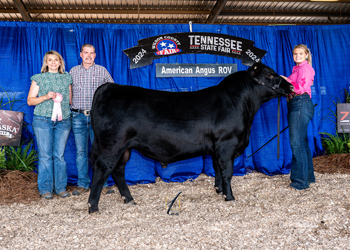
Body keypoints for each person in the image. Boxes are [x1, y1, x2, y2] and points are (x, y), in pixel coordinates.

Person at [69, 43, 115, 196]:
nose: (89, 55)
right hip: (77, 116)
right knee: (81, 152)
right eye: (86, 52)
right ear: (80, 54)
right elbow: (68, 93)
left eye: (92, 53)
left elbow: (112, 92)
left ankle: (102, 184)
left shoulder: (102, 71)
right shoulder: (73, 71)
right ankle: (82, 184)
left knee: (101, 151)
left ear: (95, 55)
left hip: (98, 118)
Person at [27, 50, 72, 199]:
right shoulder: (38, 78)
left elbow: (69, 100)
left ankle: (60, 187)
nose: (53, 62)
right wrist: (46, 97)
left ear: (60, 62)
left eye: (56, 60)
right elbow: (30, 101)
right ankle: (45, 189)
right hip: (42, 120)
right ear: (46, 63)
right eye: (50, 60)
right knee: (46, 156)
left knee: (59, 155)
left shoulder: (67, 78)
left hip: (63, 120)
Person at [282, 44, 315, 190]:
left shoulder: (306, 68)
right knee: (302, 143)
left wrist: (286, 80)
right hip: (297, 104)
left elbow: (300, 88)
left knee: (296, 143)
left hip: (300, 103)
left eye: (300, 54)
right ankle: (308, 177)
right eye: (295, 54)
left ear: (306, 55)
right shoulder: (297, 69)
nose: (297, 56)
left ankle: (300, 182)